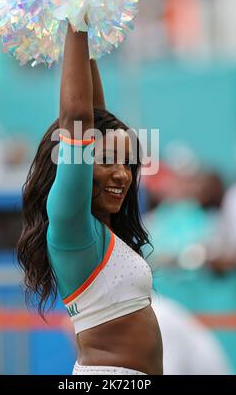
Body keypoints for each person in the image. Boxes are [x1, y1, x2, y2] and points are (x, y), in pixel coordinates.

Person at [17, 24, 163, 375]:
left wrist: (91, 45)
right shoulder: (72, 227)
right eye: (108, 162)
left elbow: (95, 116)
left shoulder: (98, 229)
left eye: (127, 163)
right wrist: (76, 21)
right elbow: (80, 119)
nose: (122, 174)